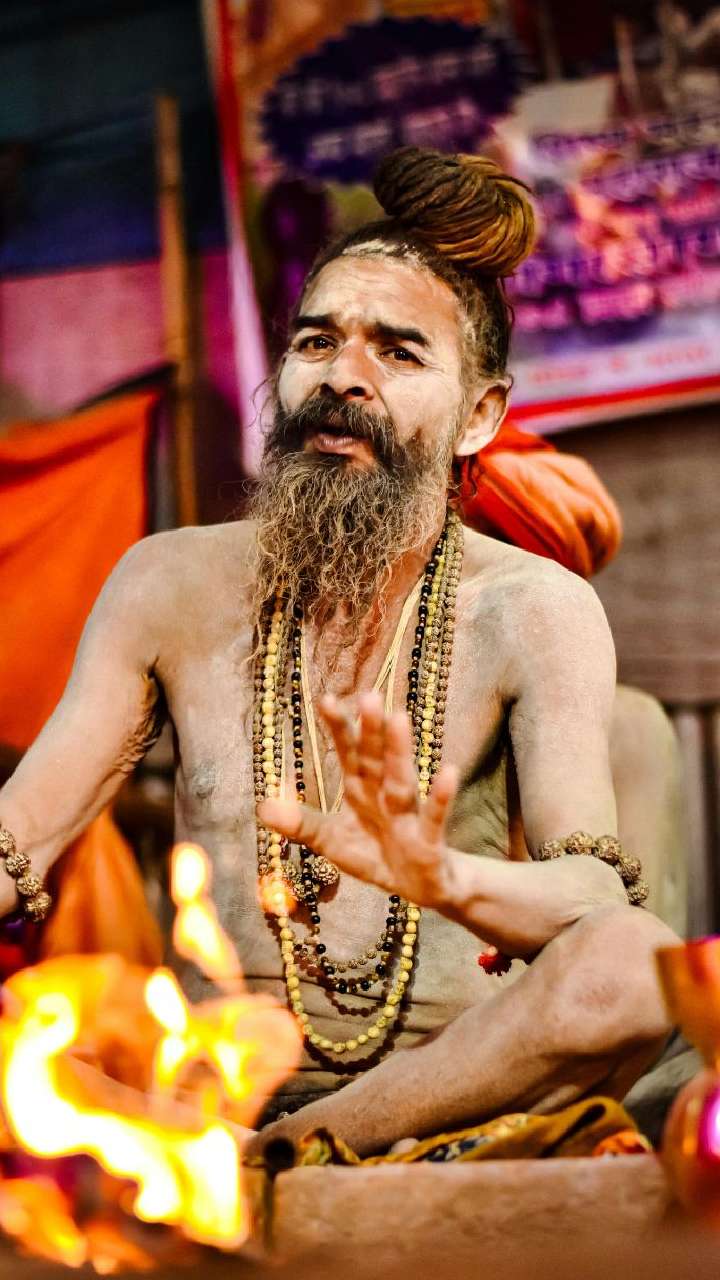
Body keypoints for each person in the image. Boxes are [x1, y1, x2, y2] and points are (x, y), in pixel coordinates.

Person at [0, 146, 678, 1157]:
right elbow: (20, 833)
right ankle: (260, 1156)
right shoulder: (167, 583)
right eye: (317, 341)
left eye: (399, 353)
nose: (344, 376)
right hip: (210, 1091)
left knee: (635, 962)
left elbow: (592, 896)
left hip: (451, 1103)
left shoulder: (534, 608)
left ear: (479, 415)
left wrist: (436, 873)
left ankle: (296, 1155)